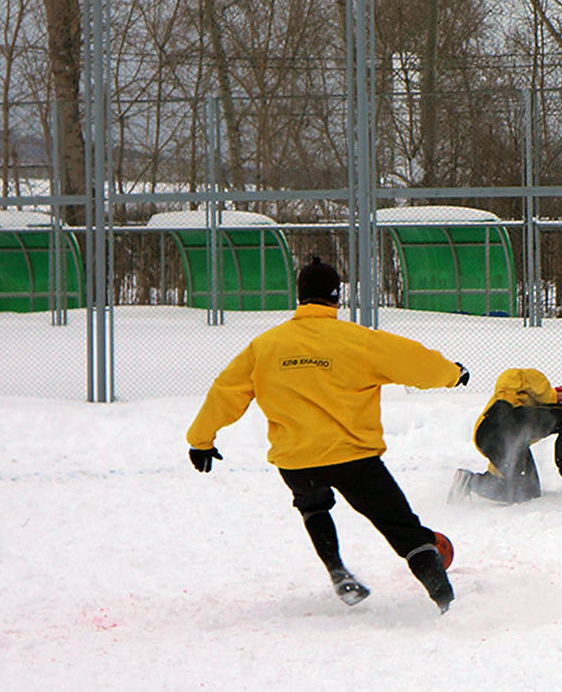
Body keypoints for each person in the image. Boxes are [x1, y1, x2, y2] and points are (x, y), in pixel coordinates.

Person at [186, 256, 470, 613]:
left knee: (313, 504)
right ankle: (447, 604)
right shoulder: (358, 341)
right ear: (337, 297)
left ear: (300, 296)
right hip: (352, 459)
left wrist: (201, 440)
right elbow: (415, 362)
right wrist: (452, 373)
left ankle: (337, 570)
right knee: (402, 528)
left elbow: (225, 392)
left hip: (296, 461)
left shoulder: (265, 346)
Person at [449, 368, 562, 504]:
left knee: (526, 492)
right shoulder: (541, 386)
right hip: (498, 419)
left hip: (489, 439)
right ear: (558, 390)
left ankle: (469, 481)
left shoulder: (537, 423)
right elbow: (512, 375)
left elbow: (508, 448)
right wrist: (504, 402)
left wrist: (500, 471)